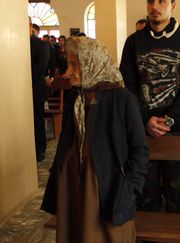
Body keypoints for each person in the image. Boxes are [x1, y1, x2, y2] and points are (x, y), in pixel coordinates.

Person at [41, 37, 148, 243]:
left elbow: (140, 150)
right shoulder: (76, 97)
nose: (67, 72)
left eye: (74, 65)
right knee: (74, 233)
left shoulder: (122, 98)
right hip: (71, 183)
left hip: (107, 186)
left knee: (108, 235)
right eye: (68, 64)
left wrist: (129, 188)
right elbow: (67, 141)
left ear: (93, 63)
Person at [120, 0, 180, 213]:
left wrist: (171, 119)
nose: (155, 5)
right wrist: (145, 119)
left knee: (175, 191)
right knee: (147, 192)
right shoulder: (133, 42)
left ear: (173, 5)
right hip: (143, 129)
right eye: (150, 1)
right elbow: (128, 85)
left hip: (177, 128)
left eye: (162, 1)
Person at [29, 18, 49, 162]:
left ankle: (39, 149)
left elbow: (40, 69)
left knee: (37, 120)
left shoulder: (40, 45)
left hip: (35, 88)